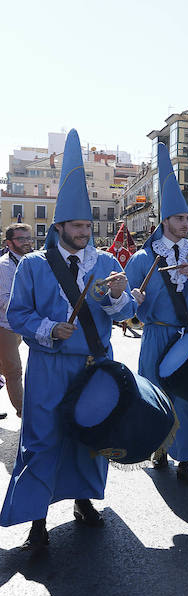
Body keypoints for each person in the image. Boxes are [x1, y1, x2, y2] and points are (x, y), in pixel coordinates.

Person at [0, 129, 136, 554]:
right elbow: (16, 314)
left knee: (90, 435)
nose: (85, 231)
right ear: (60, 226)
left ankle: (83, 501)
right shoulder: (35, 266)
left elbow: (128, 312)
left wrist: (117, 296)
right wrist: (47, 329)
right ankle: (36, 519)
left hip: (95, 363)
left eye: (87, 225)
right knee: (41, 438)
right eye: (78, 226)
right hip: (48, 364)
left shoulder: (109, 262)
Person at [125, 143, 188, 488]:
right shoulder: (142, 259)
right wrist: (132, 298)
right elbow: (125, 305)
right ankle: (160, 448)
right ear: (165, 220)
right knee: (156, 395)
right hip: (156, 336)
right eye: (180, 218)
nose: (185, 223)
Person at [0, 223, 34, 418]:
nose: (27, 242)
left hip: (18, 325)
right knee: (14, 370)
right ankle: (23, 412)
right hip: (4, 325)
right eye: (21, 239)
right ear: (8, 242)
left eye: (28, 238)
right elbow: (4, 300)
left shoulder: (29, 261)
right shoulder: (4, 266)